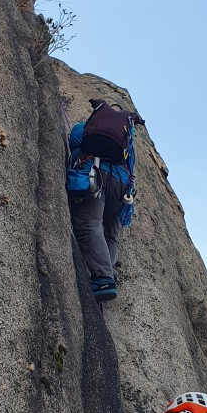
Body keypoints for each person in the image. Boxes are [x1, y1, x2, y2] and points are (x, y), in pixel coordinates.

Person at [67, 99, 139, 303]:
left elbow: (75, 143)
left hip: (96, 177)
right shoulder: (127, 139)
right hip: (122, 188)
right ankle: (108, 269)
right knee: (111, 235)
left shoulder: (86, 128)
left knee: (89, 223)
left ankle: (103, 278)